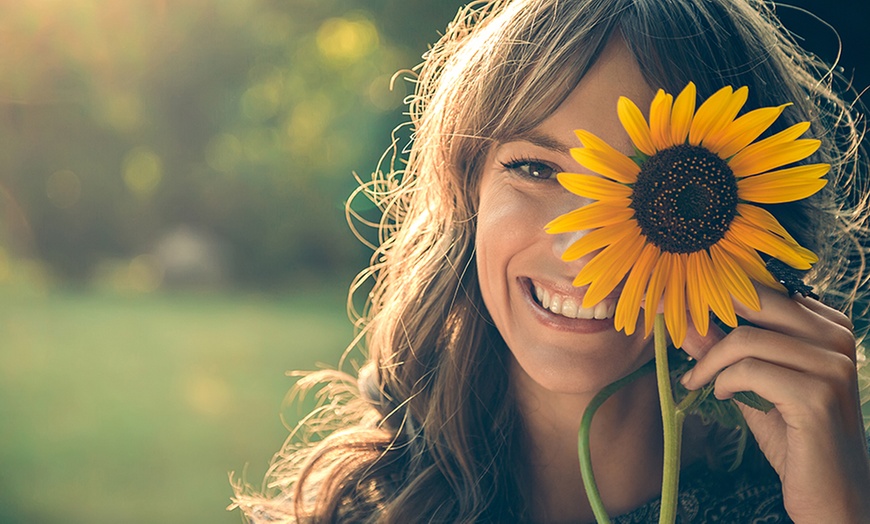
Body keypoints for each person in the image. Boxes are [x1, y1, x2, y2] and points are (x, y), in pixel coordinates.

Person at [231, 0, 870, 521]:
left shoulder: (812, 501)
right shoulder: (361, 511)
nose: (583, 248)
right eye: (536, 168)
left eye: (651, 187)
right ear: (466, 193)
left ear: (753, 221)